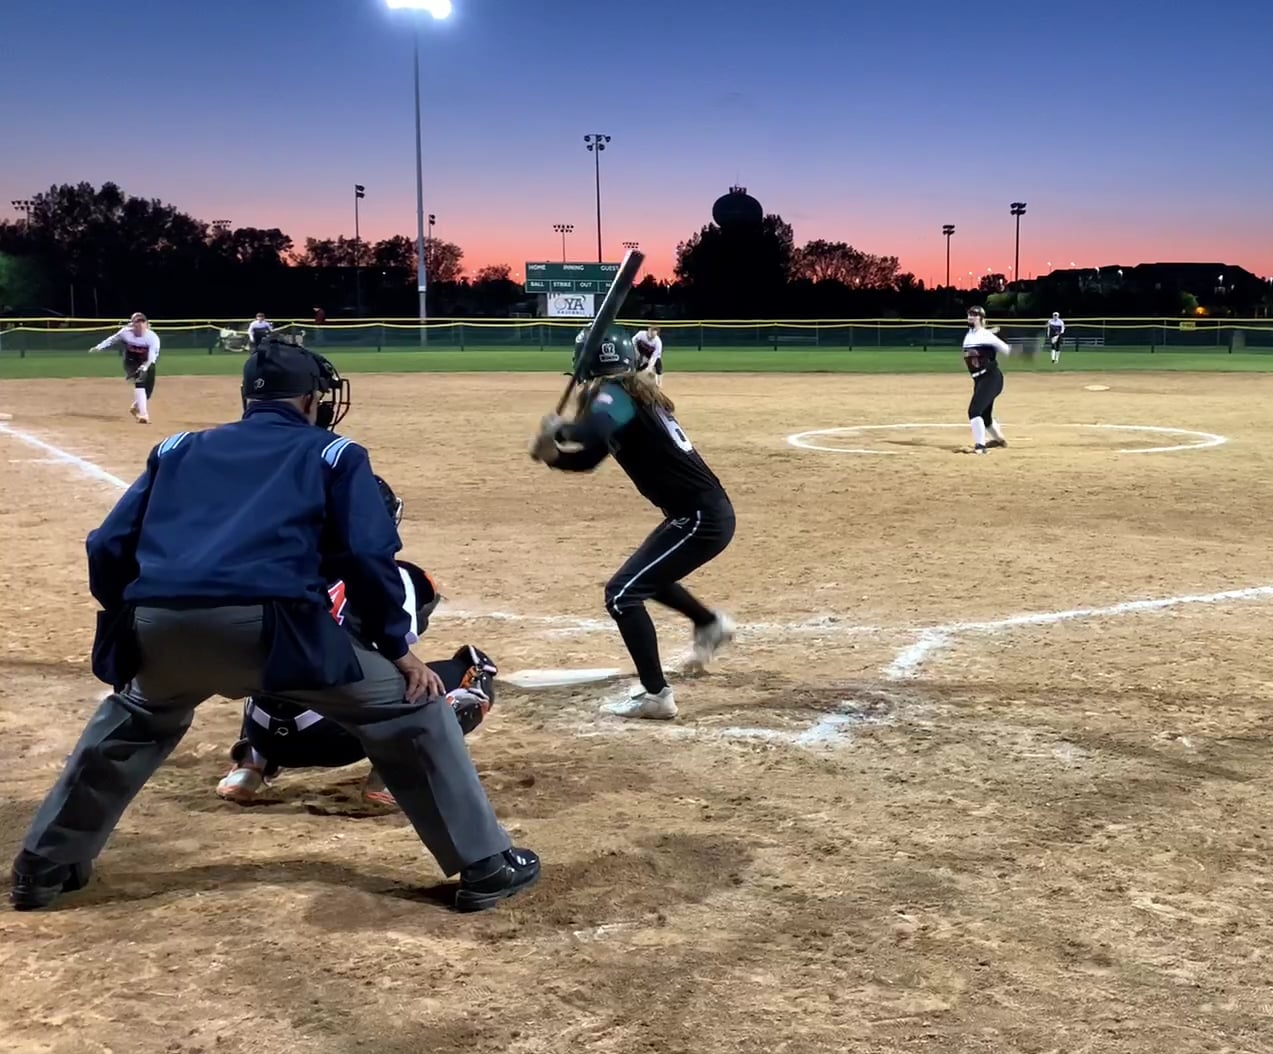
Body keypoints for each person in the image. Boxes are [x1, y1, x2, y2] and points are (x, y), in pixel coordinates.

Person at [9, 340, 538, 914]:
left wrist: (130, 619)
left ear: (247, 398)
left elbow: (107, 546)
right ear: (311, 400)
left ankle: (43, 866)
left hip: (158, 624)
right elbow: (368, 557)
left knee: (134, 716)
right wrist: (398, 649)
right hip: (274, 631)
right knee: (412, 708)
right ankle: (486, 865)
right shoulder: (334, 453)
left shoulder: (176, 448)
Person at [218, 476, 499, 809]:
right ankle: (396, 775)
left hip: (264, 730)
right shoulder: (398, 576)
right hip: (334, 735)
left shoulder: (270, 564)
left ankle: (249, 765)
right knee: (469, 670)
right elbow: (401, 638)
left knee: (278, 652)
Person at [529, 328, 735, 720]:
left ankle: (657, 695)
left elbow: (590, 433)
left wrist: (560, 430)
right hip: (695, 515)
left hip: (700, 519)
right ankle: (709, 624)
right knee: (645, 580)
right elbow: (590, 455)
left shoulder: (615, 395)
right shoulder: (627, 395)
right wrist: (554, 455)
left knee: (622, 594)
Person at [89, 312, 160, 424]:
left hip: (148, 361)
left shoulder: (152, 337)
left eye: (142, 322)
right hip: (131, 361)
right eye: (137, 322)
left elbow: (151, 357)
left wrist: (145, 367)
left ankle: (135, 407)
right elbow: (112, 340)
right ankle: (144, 415)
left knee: (148, 393)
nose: (140, 325)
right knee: (139, 381)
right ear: (132, 324)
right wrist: (99, 347)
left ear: (147, 324)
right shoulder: (125, 333)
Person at [960, 305, 1011, 454]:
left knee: (974, 411)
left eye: (975, 315)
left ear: (982, 318)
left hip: (991, 378)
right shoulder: (970, 335)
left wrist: (995, 340)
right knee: (984, 416)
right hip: (979, 380)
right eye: (969, 314)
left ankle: (980, 447)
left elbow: (1006, 350)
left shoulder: (986, 336)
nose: (971, 317)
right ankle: (999, 440)